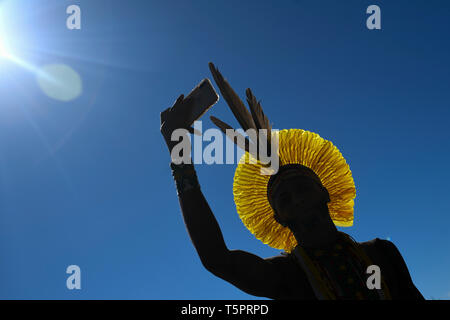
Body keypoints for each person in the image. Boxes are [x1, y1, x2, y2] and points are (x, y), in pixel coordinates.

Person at [160, 63, 424, 300]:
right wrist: (178, 152)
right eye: (284, 198)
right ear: (278, 217)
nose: (296, 198)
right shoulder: (285, 276)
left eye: (302, 188)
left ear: (325, 192)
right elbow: (216, 258)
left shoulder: (383, 254)